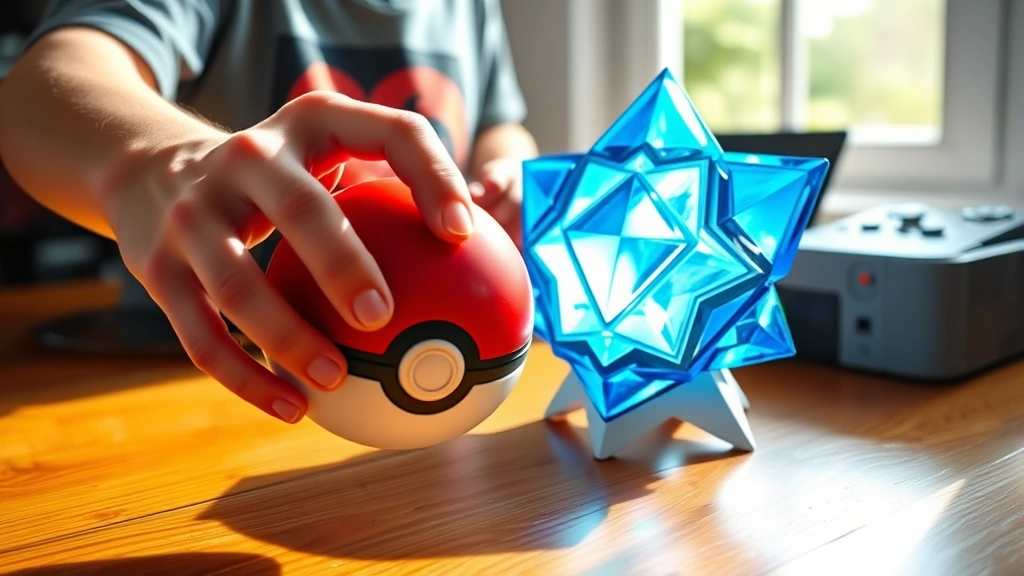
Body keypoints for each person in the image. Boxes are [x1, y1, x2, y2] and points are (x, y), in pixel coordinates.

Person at [0, 0, 538, 425]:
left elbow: (498, 122)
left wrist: (510, 168)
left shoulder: (469, 6)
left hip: (445, 409)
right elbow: (37, 90)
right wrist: (173, 164)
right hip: (182, 376)